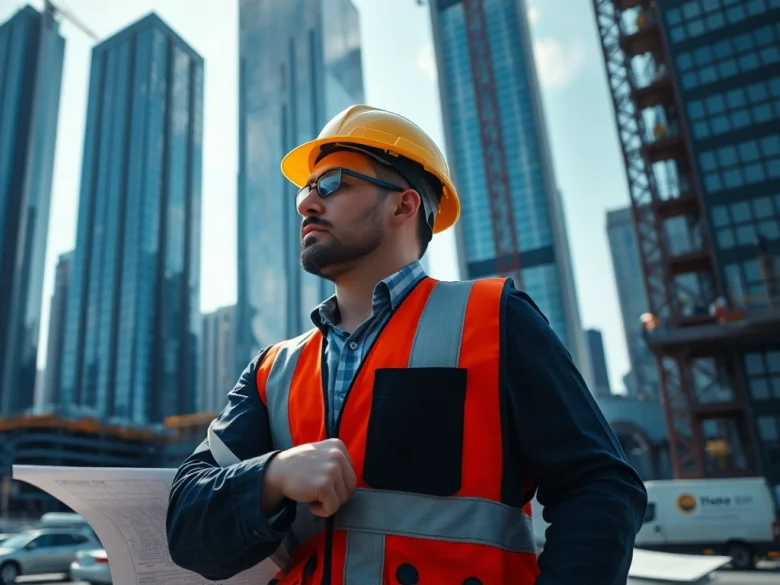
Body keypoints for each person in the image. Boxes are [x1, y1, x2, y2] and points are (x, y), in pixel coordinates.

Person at [166, 104, 648, 585]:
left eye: (332, 184)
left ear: (403, 205)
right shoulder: (273, 370)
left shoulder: (496, 319)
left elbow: (600, 486)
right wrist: (270, 477)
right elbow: (187, 525)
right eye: (306, 189)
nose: (307, 204)